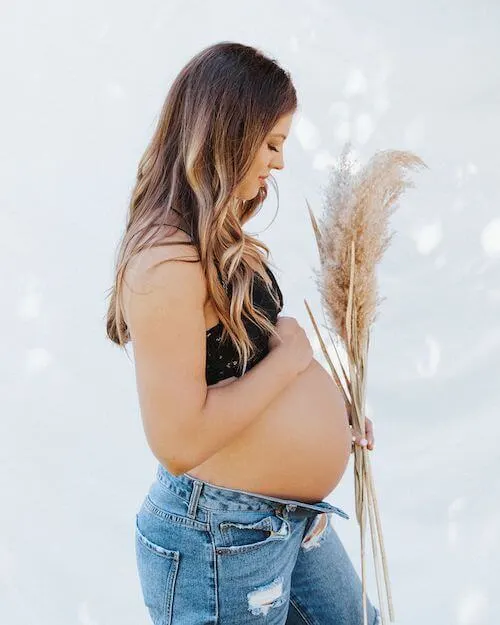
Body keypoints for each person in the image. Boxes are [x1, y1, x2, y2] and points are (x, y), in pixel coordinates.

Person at [106, 41, 380, 625]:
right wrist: (292, 359)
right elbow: (178, 443)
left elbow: (246, 359)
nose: (279, 164)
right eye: (273, 143)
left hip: (282, 519)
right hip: (217, 536)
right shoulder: (164, 264)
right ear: (229, 132)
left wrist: (334, 413)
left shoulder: (213, 237)